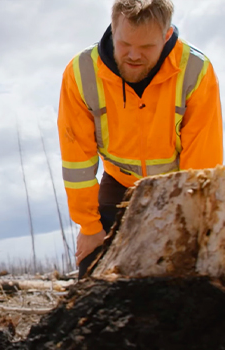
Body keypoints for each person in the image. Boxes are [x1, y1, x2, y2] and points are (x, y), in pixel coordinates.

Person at [58, 0, 223, 278]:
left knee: (185, 277)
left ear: (167, 36)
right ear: (113, 28)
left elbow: (201, 166)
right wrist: (89, 227)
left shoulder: (196, 70)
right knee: (92, 274)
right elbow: (77, 162)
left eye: (146, 48)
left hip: (178, 184)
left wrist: (187, 223)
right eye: (124, 44)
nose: (134, 55)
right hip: (119, 181)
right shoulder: (80, 73)